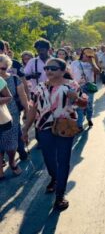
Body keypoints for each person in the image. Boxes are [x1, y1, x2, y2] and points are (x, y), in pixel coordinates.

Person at [22, 58, 87, 210]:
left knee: (63, 160)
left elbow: (83, 104)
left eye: (53, 68)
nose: (49, 71)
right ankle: (55, 178)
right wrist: (25, 129)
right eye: (47, 68)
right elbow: (32, 109)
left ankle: (60, 195)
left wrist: (76, 98)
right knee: (49, 158)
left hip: (65, 127)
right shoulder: (39, 87)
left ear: (63, 70)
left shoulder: (71, 85)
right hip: (44, 128)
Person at [0, 55, 28, 179]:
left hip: (11, 115)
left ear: (8, 68)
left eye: (3, 68)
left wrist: (27, 112)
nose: (0, 70)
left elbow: (23, 97)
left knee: (11, 144)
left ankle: (12, 161)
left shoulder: (15, 79)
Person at [71, 48, 100, 128]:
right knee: (79, 106)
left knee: (89, 105)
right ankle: (79, 125)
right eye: (86, 53)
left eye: (90, 53)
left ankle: (89, 118)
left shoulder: (91, 63)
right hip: (78, 87)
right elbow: (71, 75)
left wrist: (91, 62)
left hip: (88, 87)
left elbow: (98, 72)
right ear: (82, 54)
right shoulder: (74, 63)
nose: (87, 55)